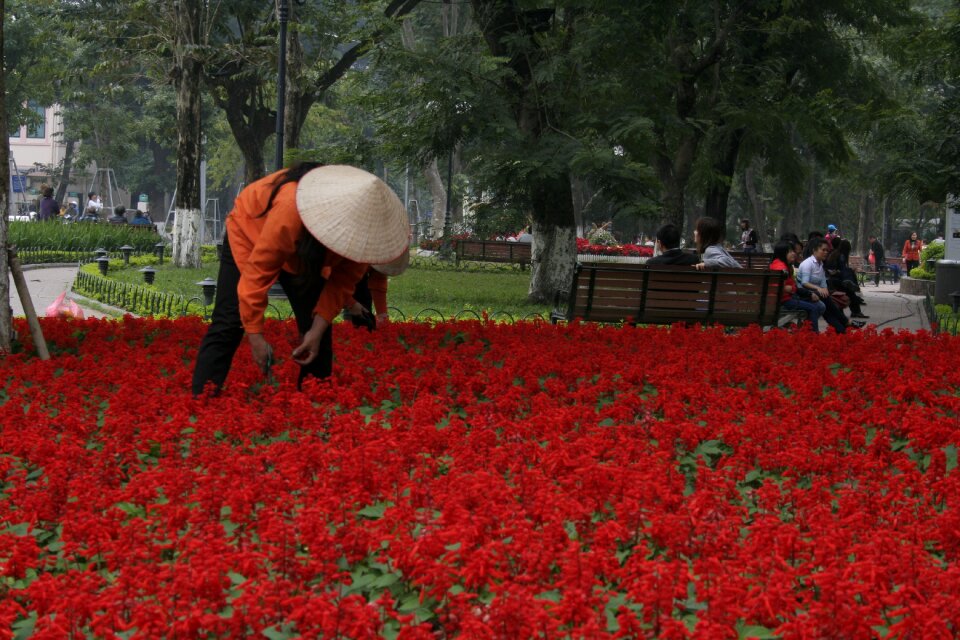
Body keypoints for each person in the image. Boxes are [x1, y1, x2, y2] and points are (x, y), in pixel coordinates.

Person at [191, 163, 408, 396]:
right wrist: (255, 336)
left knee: (319, 332)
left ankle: (314, 400)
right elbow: (256, 276)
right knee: (230, 321)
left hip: (306, 253)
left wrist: (315, 331)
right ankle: (202, 399)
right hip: (251, 232)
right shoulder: (290, 207)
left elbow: (340, 286)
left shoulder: (362, 241)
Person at [797, 238, 860, 333]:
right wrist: (820, 289)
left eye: (827, 250)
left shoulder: (820, 264)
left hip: (816, 294)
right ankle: (846, 322)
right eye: (823, 250)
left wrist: (825, 289)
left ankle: (841, 330)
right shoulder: (807, 264)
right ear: (814, 250)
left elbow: (823, 282)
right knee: (828, 303)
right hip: (804, 294)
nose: (826, 252)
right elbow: (804, 283)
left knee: (827, 309)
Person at [769, 241, 825, 333]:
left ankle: (805, 330)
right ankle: (813, 335)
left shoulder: (783, 265)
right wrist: (787, 288)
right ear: (783, 253)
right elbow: (777, 287)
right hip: (783, 301)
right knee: (815, 307)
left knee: (819, 305)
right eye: (790, 251)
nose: (794, 254)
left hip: (788, 297)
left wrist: (793, 289)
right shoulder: (780, 267)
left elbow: (791, 287)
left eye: (793, 251)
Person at [824, 239, 868, 319]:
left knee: (849, 293)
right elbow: (842, 269)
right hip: (838, 279)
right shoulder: (841, 256)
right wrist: (851, 270)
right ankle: (856, 311)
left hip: (832, 279)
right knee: (850, 293)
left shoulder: (834, 254)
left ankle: (854, 311)